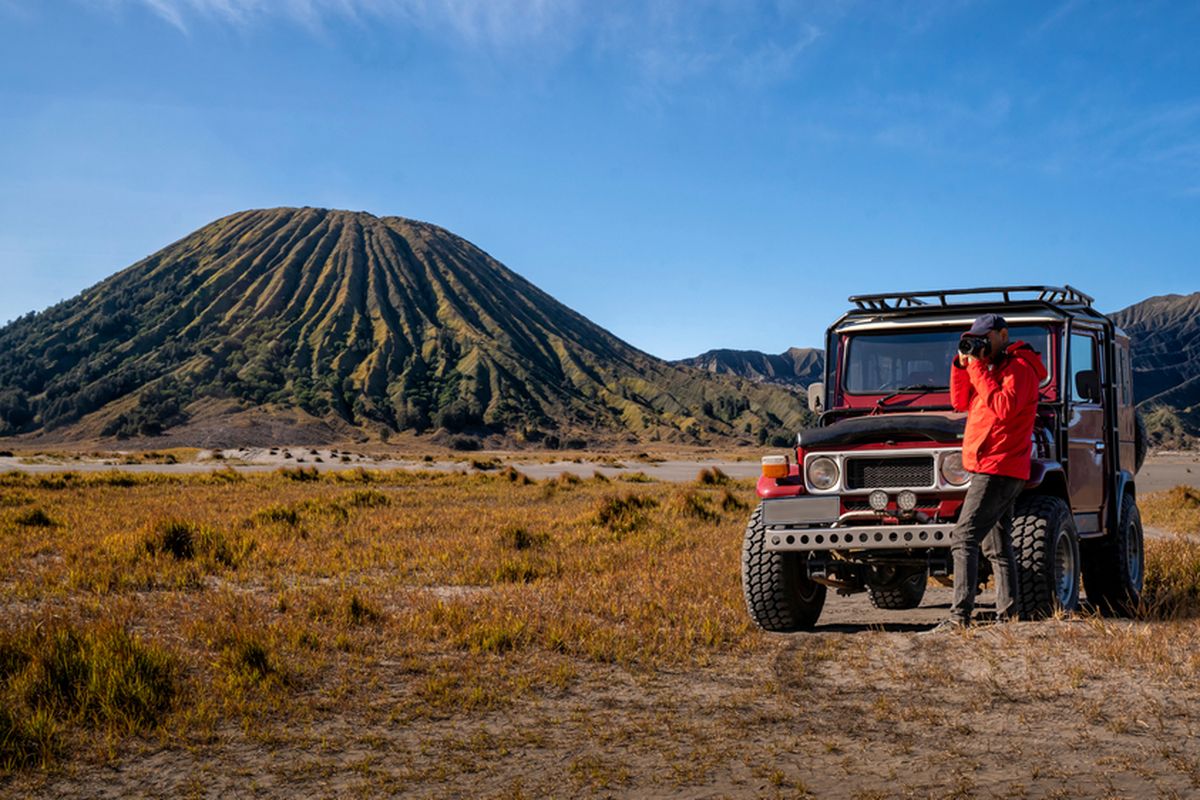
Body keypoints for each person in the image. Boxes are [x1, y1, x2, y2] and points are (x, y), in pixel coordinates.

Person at [928, 313, 1048, 631]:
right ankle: (1008, 616)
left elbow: (1004, 408)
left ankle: (958, 617)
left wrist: (978, 368)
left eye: (985, 337)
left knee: (963, 538)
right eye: (975, 338)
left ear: (1003, 335)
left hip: (999, 466)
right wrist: (961, 366)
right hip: (993, 465)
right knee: (997, 545)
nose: (981, 343)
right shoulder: (993, 369)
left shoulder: (1020, 369)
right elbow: (960, 402)